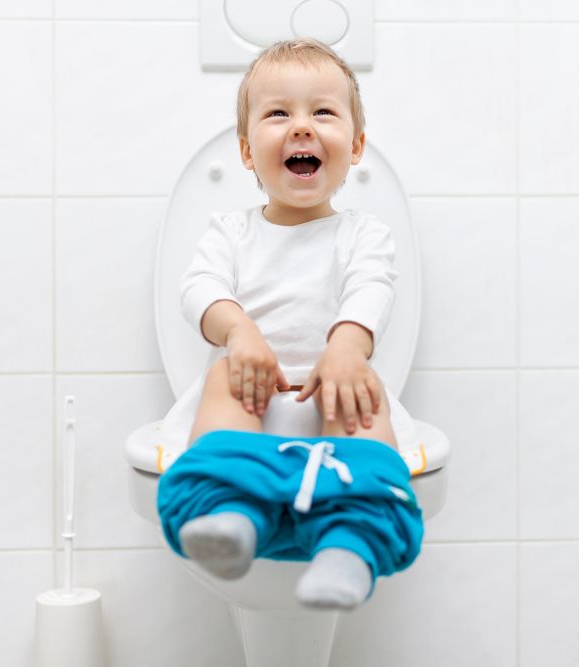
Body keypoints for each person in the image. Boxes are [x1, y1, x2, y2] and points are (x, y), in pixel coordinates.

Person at [156, 38, 422, 611]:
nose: (302, 127)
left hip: (336, 399)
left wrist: (347, 349)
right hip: (248, 403)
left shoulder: (364, 234)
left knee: (361, 392)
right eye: (279, 112)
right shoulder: (231, 230)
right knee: (226, 376)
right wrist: (238, 332)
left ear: (354, 148)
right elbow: (199, 287)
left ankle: (349, 548)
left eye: (322, 111)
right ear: (248, 151)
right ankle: (233, 516)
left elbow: (371, 288)